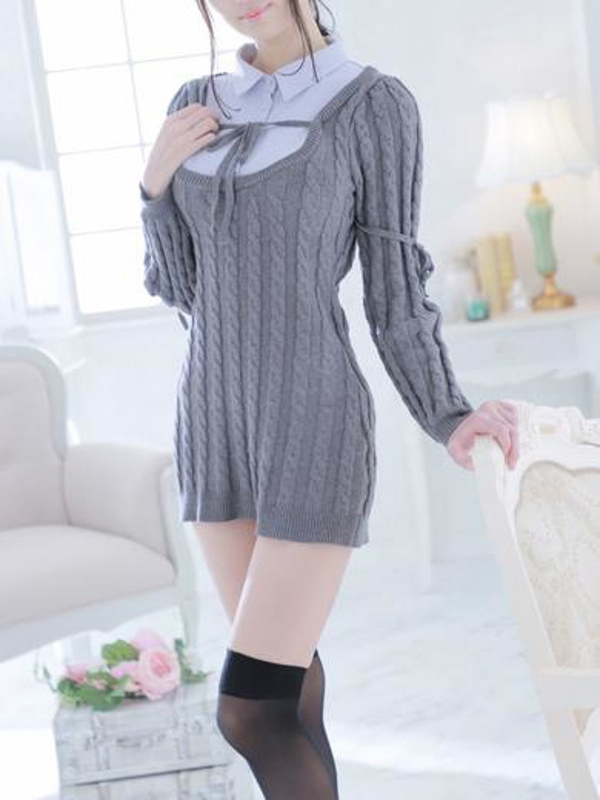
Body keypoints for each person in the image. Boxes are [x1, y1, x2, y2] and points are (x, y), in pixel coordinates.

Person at [139, 1, 520, 797]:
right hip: (210, 428)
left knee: (250, 711)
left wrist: (447, 412)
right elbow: (181, 293)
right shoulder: (193, 105)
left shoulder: (372, 104)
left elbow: (394, 290)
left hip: (313, 424)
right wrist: (155, 188)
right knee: (288, 687)